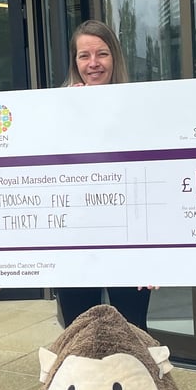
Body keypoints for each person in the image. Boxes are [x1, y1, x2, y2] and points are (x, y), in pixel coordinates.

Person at [57, 19, 152, 331]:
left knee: (133, 332)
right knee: (79, 334)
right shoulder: (54, 109)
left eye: (102, 54)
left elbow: (154, 176)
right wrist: (70, 112)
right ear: (75, 61)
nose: (93, 63)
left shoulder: (140, 107)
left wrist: (160, 254)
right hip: (75, 241)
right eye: (84, 55)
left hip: (130, 240)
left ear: (115, 58)